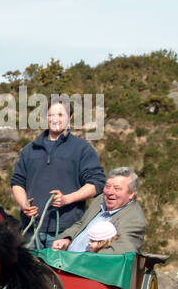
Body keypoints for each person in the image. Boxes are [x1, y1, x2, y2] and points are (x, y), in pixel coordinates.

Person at [10, 97, 106, 248]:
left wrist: (68, 199)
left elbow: (97, 184)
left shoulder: (82, 149)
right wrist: (24, 204)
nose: (55, 119)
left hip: (64, 233)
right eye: (50, 115)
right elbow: (17, 182)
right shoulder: (30, 149)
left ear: (71, 117)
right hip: (31, 231)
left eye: (60, 115)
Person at [51, 167, 147, 254]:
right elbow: (81, 224)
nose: (109, 192)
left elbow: (120, 252)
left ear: (131, 194)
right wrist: (66, 239)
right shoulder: (101, 199)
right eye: (108, 186)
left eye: (117, 189)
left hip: (86, 269)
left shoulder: (134, 219)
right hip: (66, 260)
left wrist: (83, 260)